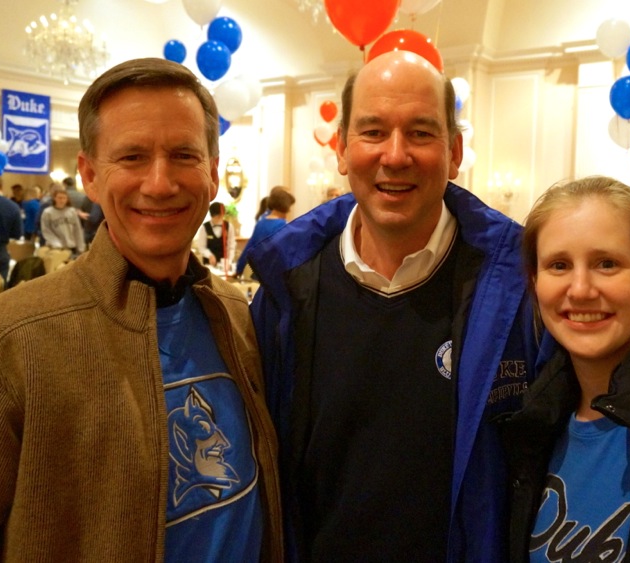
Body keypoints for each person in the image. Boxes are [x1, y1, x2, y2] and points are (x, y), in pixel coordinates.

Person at [247, 50, 549, 562]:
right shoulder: (286, 286)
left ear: (454, 151)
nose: (395, 155)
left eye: (420, 132)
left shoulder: (520, 285)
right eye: (372, 131)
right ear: (341, 149)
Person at [0, 58, 283, 562]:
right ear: (90, 175)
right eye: (133, 157)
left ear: (212, 174)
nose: (160, 183)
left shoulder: (235, 314)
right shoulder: (11, 341)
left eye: (184, 155)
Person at [502, 176, 630, 562]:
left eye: (607, 263)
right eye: (559, 265)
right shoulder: (532, 424)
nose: (580, 289)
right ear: (535, 281)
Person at [235, 186, 295, 279]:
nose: (290, 210)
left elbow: (249, 247)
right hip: (274, 276)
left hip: (258, 273)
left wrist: (239, 268)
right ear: (285, 205)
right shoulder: (282, 225)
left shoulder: (261, 222)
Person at [40, 186, 86, 257]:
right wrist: (56, 244)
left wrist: (81, 247)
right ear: (55, 198)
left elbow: (77, 230)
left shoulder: (72, 211)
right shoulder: (47, 212)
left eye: (64, 198)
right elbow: (46, 231)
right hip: (56, 248)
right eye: (59, 198)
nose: (62, 200)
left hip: (71, 246)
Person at [195, 201, 236, 270]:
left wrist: (229, 261)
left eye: (221, 215)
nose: (219, 218)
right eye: (217, 216)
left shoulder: (229, 226)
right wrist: (209, 255)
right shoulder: (205, 227)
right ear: (212, 215)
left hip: (224, 265)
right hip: (208, 265)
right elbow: (201, 247)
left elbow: (231, 246)